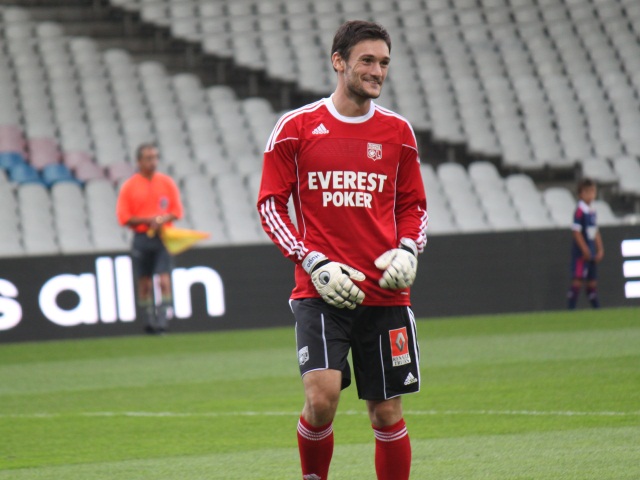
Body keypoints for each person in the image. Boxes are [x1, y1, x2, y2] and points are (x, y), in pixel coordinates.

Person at [256, 20, 428, 480]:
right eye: (367, 61)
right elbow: (270, 206)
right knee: (321, 398)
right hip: (321, 291)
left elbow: (414, 207)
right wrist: (311, 260)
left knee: (386, 414)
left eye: (384, 63)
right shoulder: (296, 128)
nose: (377, 71)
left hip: (385, 295)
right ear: (339, 62)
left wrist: (408, 250)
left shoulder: (399, 133)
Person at [116, 143, 184, 333]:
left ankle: (163, 321)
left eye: (155, 157)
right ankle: (148, 320)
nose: (153, 162)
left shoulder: (166, 182)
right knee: (145, 282)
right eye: (148, 158)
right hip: (142, 237)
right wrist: (148, 220)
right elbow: (124, 217)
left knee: (163, 280)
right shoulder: (129, 186)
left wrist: (162, 219)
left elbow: (177, 211)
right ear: (139, 161)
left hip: (163, 236)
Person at [567, 178, 604, 309]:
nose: (590, 194)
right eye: (587, 192)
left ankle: (597, 310)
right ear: (580, 194)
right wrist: (584, 249)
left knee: (592, 283)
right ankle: (570, 310)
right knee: (577, 280)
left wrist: (599, 249)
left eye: (592, 191)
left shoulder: (592, 211)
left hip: (591, 251)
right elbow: (576, 232)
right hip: (581, 254)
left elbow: (595, 231)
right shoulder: (579, 211)